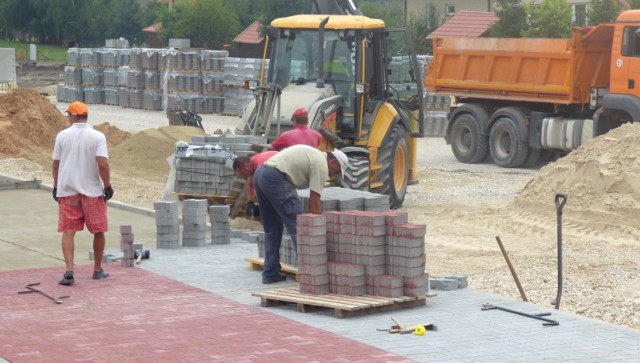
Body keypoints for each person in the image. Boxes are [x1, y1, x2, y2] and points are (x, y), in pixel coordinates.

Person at [253, 144, 348, 284]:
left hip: (261, 174)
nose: (334, 175)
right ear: (332, 162)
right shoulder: (321, 165)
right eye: (337, 171)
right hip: (275, 177)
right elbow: (314, 202)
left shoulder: (313, 154)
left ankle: (270, 273)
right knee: (300, 228)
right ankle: (310, 275)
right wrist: (316, 230)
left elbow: (290, 183)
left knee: (272, 229)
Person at [52, 101, 114, 285]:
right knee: (98, 231)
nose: (68, 118)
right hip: (92, 192)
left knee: (68, 231)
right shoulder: (97, 136)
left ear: (72, 116)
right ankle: (97, 269)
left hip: (68, 191)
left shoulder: (62, 136)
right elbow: (102, 163)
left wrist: (56, 187)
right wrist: (108, 186)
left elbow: (56, 164)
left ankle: (69, 271)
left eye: (68, 115)